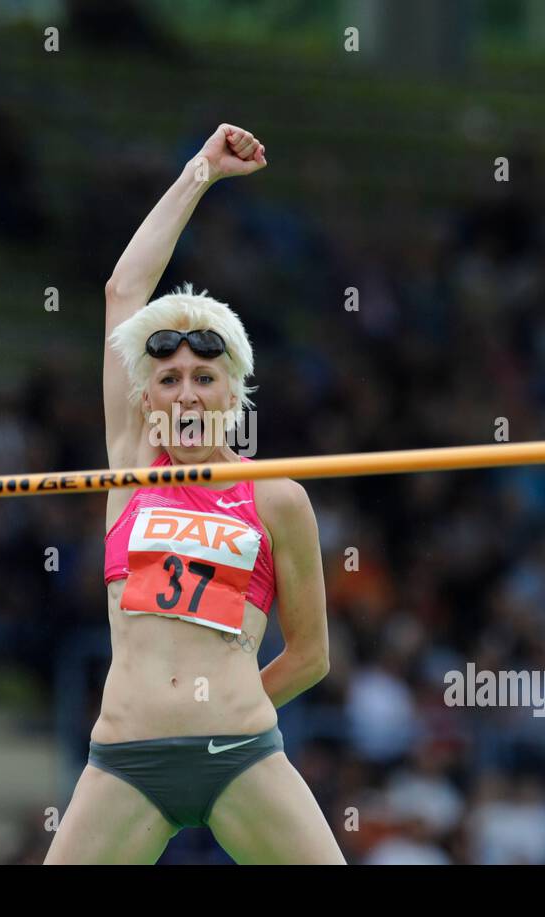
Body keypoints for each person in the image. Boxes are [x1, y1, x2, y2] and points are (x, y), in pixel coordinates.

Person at [45, 124, 344, 863]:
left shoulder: (277, 499)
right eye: (169, 379)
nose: (185, 393)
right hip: (125, 761)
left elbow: (311, 654)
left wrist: (229, 709)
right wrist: (201, 172)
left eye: (204, 379)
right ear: (147, 399)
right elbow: (123, 292)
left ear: (233, 395)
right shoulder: (128, 469)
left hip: (240, 752)